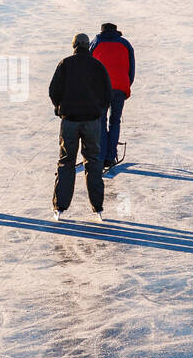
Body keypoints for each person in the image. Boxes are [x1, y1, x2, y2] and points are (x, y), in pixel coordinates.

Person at [49, 32, 112, 221]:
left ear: (74, 45)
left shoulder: (65, 64)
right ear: (88, 46)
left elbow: (53, 90)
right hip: (92, 121)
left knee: (66, 162)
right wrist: (99, 110)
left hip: (69, 121)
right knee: (93, 161)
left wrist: (58, 107)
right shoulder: (97, 66)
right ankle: (97, 207)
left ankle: (60, 206)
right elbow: (107, 94)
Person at [90, 23, 135, 169]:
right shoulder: (125, 44)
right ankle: (110, 157)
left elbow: (88, 65)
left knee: (101, 122)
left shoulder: (95, 43)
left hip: (100, 88)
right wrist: (126, 84)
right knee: (115, 121)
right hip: (120, 88)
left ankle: (101, 156)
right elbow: (131, 68)